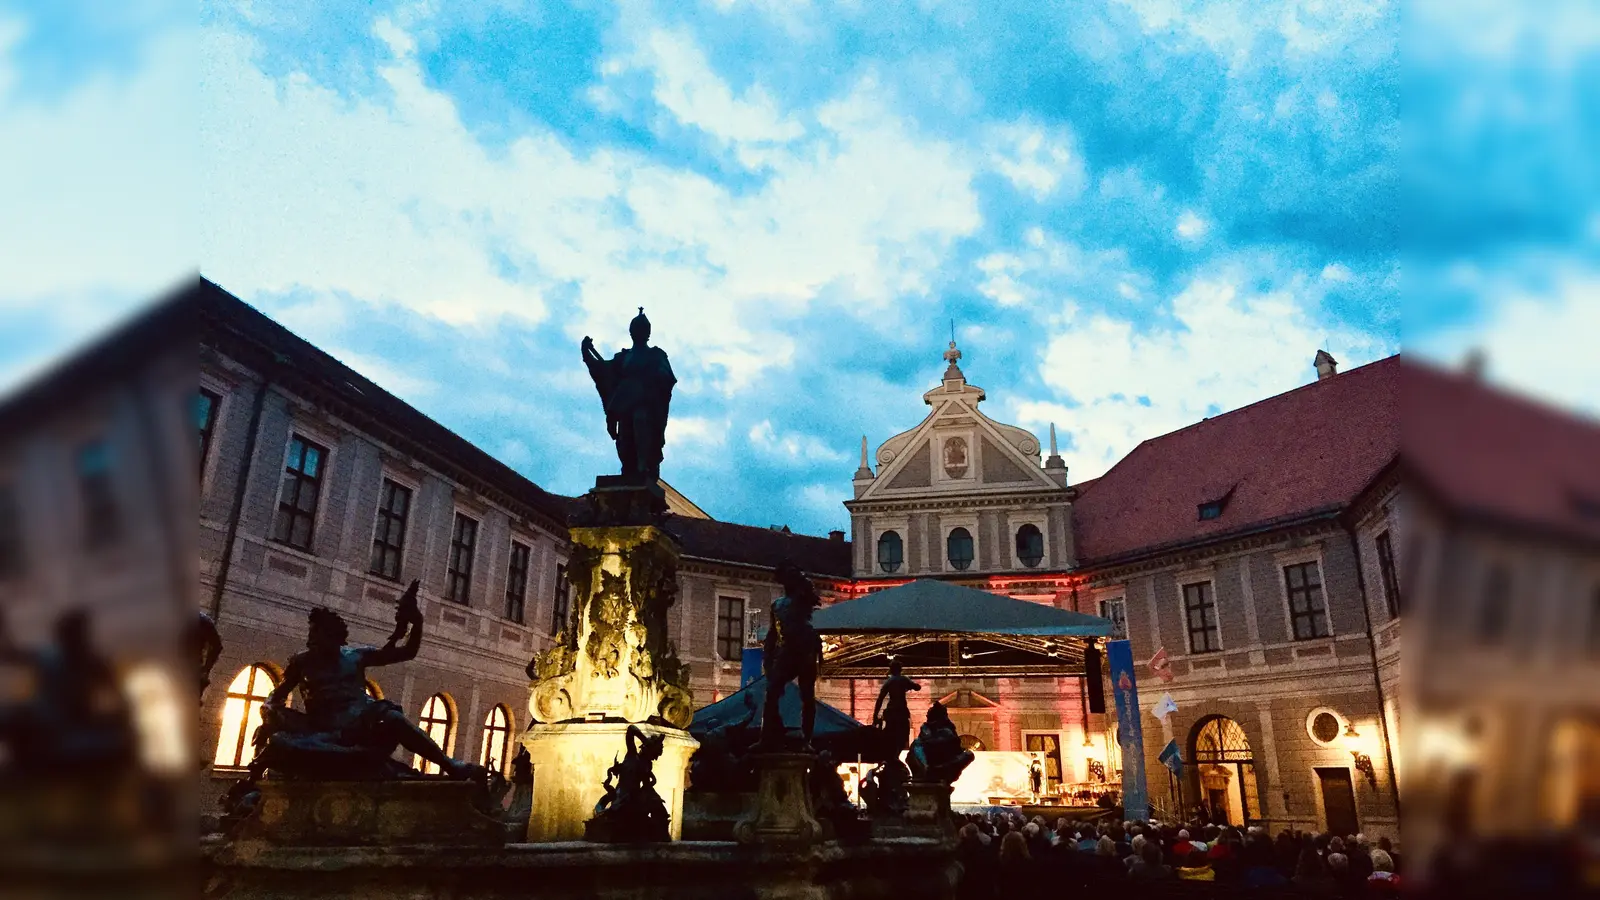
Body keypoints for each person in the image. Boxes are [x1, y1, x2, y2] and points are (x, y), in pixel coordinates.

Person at [255, 583, 478, 780]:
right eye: (311, 633)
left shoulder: (356, 657)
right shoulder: (302, 662)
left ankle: (449, 765)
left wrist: (417, 622)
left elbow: (407, 652)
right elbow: (279, 693)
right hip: (328, 727)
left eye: (316, 634)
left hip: (364, 721)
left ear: (333, 638)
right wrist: (269, 708)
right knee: (285, 742)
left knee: (393, 718)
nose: (310, 639)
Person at [580, 308, 676, 483]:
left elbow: (666, 378)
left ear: (647, 333)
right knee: (624, 434)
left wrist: (651, 383)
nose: (638, 333)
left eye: (641, 330)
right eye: (635, 330)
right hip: (624, 405)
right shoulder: (623, 358)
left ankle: (642, 465)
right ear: (631, 332)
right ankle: (629, 468)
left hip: (645, 403)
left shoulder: (656, 355)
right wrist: (587, 353)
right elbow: (604, 373)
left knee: (640, 420)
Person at [871, 661, 921, 753]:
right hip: (901, 711)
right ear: (900, 669)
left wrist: (875, 715)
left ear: (891, 670)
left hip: (891, 712)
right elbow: (918, 687)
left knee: (890, 736)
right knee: (903, 736)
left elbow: (880, 699)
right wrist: (910, 686)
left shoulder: (888, 682)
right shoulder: (904, 679)